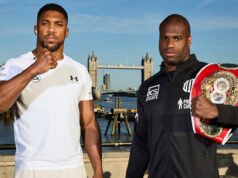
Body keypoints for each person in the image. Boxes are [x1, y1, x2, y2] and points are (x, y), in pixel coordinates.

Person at [126, 14, 238, 178]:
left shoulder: (211, 77)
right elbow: (140, 145)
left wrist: (218, 111)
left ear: (189, 40)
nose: (169, 44)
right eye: (164, 38)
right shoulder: (147, 87)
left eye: (177, 38)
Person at [0, 3, 103, 178]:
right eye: (45, 23)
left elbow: (89, 124)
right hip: (31, 169)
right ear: (36, 29)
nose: (51, 30)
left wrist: (98, 169)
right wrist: (34, 69)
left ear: (67, 32)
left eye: (58, 24)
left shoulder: (79, 70)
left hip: (74, 168)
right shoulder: (16, 65)